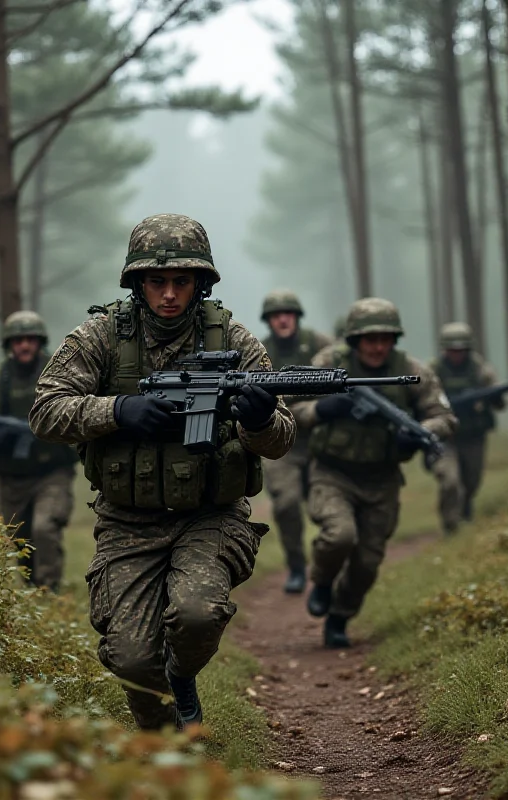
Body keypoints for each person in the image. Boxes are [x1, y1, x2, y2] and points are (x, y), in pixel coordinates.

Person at [29, 213, 296, 731]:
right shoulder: (102, 337)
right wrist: (116, 412)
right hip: (128, 523)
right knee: (130, 659)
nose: (169, 294)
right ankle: (160, 748)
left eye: (181, 281)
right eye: (157, 281)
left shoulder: (234, 339)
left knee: (196, 615)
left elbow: (282, 439)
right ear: (137, 283)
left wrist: (259, 418)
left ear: (200, 283)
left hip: (210, 516)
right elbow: (45, 410)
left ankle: (181, 674)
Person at [290, 298, 456, 648]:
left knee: (367, 562)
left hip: (382, 479)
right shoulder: (327, 363)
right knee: (339, 534)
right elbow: (289, 406)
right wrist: (322, 408)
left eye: (386, 338)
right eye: (370, 339)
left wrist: (421, 433)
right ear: (354, 340)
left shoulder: (413, 370)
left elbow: (444, 416)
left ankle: (339, 616)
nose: (378, 346)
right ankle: (321, 581)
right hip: (332, 472)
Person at [0, 311, 78, 591]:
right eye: (18, 340)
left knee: (45, 528)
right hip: (12, 477)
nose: (24, 345)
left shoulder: (59, 373)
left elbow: (81, 408)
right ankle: (32, 591)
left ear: (39, 342)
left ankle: (48, 592)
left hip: (52, 472)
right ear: (9, 344)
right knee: (20, 539)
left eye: (30, 339)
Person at [260, 290, 332, 593]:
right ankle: (296, 567)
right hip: (280, 444)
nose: (283, 319)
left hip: (322, 442)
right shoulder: (259, 350)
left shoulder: (321, 345)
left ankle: (328, 568)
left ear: (297, 317)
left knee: (328, 509)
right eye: (277, 315)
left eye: (289, 313)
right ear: (269, 320)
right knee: (287, 503)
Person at [429, 322, 504, 533]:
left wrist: (492, 395)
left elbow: (499, 403)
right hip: (445, 438)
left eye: (461, 350)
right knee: (450, 480)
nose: (457, 355)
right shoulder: (433, 371)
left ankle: (465, 508)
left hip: (473, 436)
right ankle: (450, 525)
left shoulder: (481, 370)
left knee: (471, 481)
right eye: (452, 350)